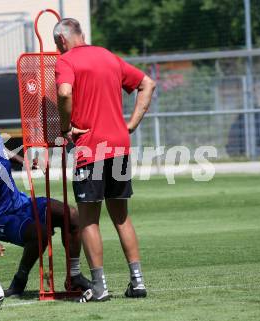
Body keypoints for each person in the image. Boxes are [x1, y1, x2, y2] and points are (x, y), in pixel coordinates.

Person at [53, 18, 156, 302]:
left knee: (88, 220)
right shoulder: (109, 57)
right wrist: (131, 124)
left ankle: (99, 287)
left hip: (90, 148)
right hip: (120, 147)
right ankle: (137, 282)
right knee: (121, 217)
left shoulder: (66, 61)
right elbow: (147, 83)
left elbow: (63, 92)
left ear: (62, 40)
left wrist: (64, 128)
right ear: (81, 34)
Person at [0, 111, 91, 297]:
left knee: (71, 215)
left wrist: (25, 162)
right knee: (40, 233)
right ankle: (19, 282)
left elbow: (3, 151)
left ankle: (74, 275)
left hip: (21, 204)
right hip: (1, 219)